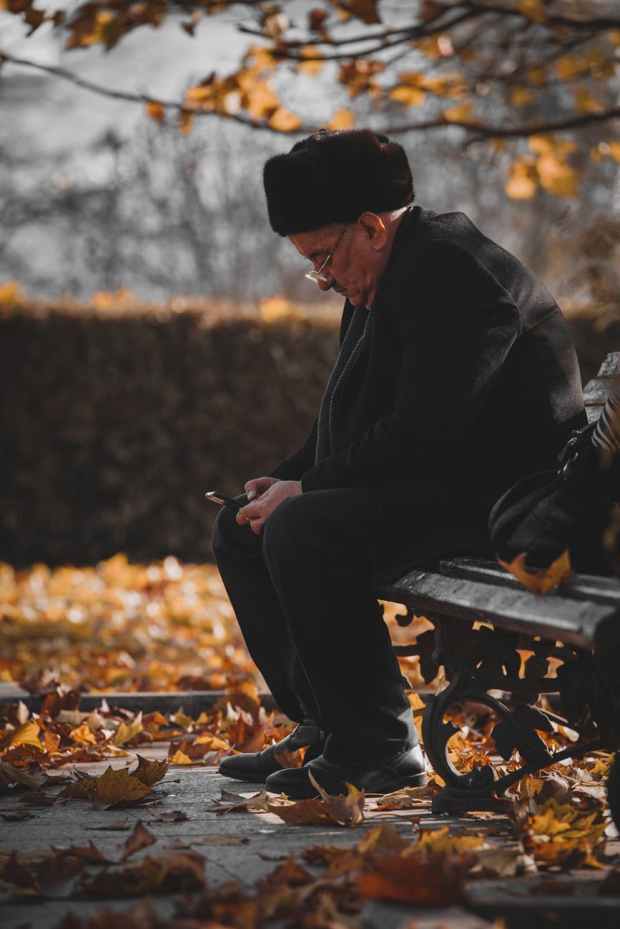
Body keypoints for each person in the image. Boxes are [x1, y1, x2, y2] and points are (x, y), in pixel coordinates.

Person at [213, 128, 585, 800]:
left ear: (371, 227)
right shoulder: (383, 277)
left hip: (504, 501)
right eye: (312, 265)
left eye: (324, 258)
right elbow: (350, 417)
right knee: (245, 527)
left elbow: (427, 429)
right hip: (433, 486)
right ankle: (326, 724)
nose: (323, 279)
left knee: (303, 528)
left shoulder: (454, 271)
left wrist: (308, 489)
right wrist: (290, 476)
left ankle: (379, 748)